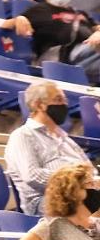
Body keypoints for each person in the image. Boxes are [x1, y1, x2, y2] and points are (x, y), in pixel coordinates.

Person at [5, 80, 92, 215]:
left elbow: (91, 172)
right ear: (39, 105)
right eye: (58, 100)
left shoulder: (67, 140)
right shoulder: (22, 136)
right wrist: (74, 182)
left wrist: (89, 182)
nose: (64, 105)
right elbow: (32, 176)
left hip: (81, 195)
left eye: (65, 100)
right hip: (44, 201)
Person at [22, 0, 100, 81]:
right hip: (65, 57)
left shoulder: (80, 12)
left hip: (92, 51)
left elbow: (97, 27)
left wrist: (98, 33)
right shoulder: (38, 10)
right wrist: (19, 19)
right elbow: (10, 24)